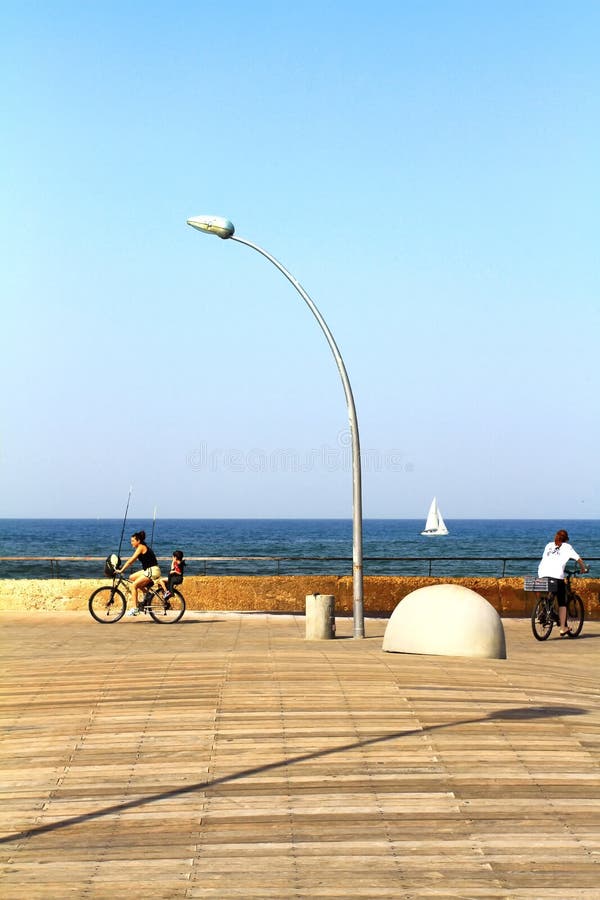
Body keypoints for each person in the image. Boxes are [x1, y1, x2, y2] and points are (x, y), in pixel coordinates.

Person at [538, 529, 588, 636]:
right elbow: (578, 559)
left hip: (542, 573)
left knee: (550, 592)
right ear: (566, 539)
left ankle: (546, 610)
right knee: (562, 601)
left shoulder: (549, 545)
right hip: (556, 576)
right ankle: (563, 628)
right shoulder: (567, 547)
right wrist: (583, 568)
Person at [117, 530, 162, 616]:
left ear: (138, 541)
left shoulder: (141, 547)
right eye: (131, 541)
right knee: (131, 577)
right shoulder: (141, 547)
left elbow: (131, 560)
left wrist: (121, 570)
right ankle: (148, 594)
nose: (131, 543)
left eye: (133, 541)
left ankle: (135, 609)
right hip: (148, 570)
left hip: (152, 570)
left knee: (134, 585)